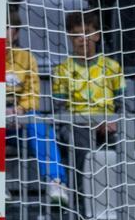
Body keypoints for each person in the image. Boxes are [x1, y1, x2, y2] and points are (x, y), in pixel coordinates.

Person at [0, 8, 69, 204]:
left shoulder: (27, 59)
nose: (0, 33)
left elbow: (32, 95)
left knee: (39, 125)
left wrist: (19, 112)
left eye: (6, 28)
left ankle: (56, 182)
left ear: (16, 32)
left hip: (18, 119)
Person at [53, 11, 124, 195]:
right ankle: (82, 208)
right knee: (81, 147)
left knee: (126, 144)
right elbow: (59, 109)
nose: (82, 39)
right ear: (69, 37)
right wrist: (87, 122)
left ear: (97, 35)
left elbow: (123, 104)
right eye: (76, 35)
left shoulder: (112, 67)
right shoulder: (62, 69)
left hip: (108, 123)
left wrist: (112, 120)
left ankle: (119, 203)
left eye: (87, 32)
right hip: (76, 124)